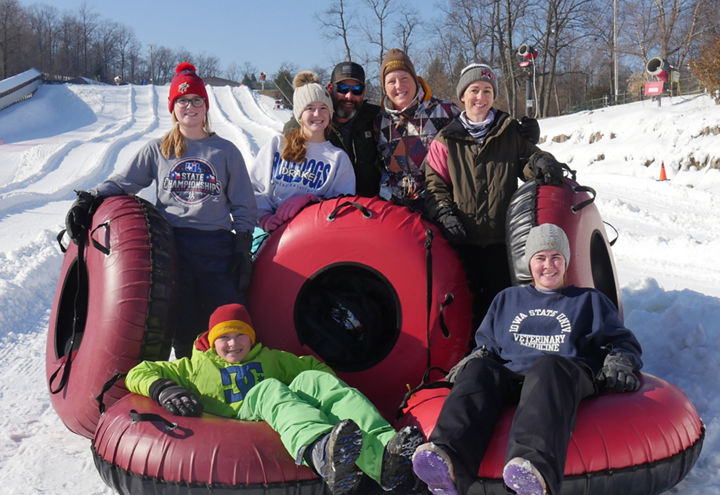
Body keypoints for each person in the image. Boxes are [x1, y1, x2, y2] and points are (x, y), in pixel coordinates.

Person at [411, 223, 643, 495]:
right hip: (512, 377)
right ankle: (446, 461)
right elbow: (488, 346)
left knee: (548, 365)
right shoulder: (507, 299)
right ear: (529, 263)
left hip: (561, 375)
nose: (549, 266)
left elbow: (622, 341)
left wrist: (620, 360)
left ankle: (531, 470)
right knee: (480, 369)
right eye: (540, 258)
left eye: (556, 257)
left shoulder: (588, 301)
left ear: (566, 262)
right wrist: (473, 362)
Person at [125, 303, 425, 494]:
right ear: (212, 339)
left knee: (314, 378)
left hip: (275, 410)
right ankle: (319, 451)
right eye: (225, 337)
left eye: (241, 335)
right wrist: (165, 389)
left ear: (252, 337)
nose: (233, 343)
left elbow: (315, 369)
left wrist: (316, 391)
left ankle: (387, 457)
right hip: (235, 419)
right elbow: (139, 371)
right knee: (268, 389)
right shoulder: (193, 366)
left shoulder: (271, 359)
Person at [64, 62, 257, 358]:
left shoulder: (226, 151)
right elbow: (125, 181)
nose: (189, 106)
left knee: (227, 318)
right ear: (173, 107)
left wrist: (243, 245)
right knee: (183, 321)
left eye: (195, 100)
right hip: (172, 246)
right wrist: (90, 197)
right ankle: (189, 379)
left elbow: (243, 203)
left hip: (216, 248)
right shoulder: (159, 149)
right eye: (181, 100)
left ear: (205, 106)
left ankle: (234, 381)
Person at [424, 62, 566, 328]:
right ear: (462, 96)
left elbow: (528, 161)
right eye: (474, 90)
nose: (481, 98)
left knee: (503, 305)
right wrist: (444, 213)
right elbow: (434, 186)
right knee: (467, 309)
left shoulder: (509, 131)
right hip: (461, 242)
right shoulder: (445, 140)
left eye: (487, 91)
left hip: (501, 242)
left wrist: (541, 162)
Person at [250, 71, 356, 232]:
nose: (317, 114)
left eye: (323, 108)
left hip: (311, 235)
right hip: (268, 231)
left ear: (330, 113)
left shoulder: (338, 158)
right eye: (310, 108)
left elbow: (343, 204)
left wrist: (310, 200)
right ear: (299, 115)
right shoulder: (278, 145)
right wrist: (264, 217)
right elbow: (254, 187)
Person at [375, 48, 461, 213]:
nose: (399, 86)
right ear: (385, 87)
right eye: (391, 81)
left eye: (404, 78)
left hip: (438, 204)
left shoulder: (445, 111)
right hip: (396, 206)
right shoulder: (381, 120)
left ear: (415, 80)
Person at [283, 62, 383, 197]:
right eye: (342, 88)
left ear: (363, 92)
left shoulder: (374, 118)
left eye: (357, 90)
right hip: (324, 206)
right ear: (330, 88)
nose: (349, 96)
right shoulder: (316, 121)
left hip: (368, 206)